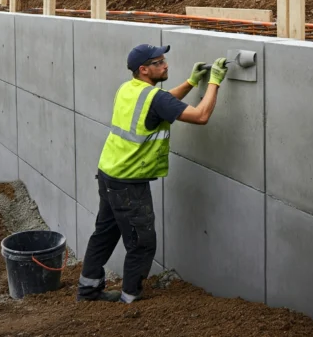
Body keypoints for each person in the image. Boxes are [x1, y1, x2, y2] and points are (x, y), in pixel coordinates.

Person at [76, 43, 227, 303]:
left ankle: (88, 290)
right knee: (142, 243)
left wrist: (191, 83)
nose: (166, 64)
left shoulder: (129, 88)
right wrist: (214, 82)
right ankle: (130, 298)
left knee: (105, 232)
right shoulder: (154, 98)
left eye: (164, 59)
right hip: (128, 183)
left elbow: (164, 103)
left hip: (109, 174)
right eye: (159, 62)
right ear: (144, 69)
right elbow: (201, 116)